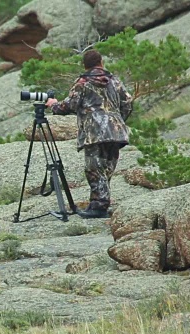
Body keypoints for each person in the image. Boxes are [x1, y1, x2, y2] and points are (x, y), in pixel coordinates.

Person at [45, 50, 132, 219]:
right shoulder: (115, 81)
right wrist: (117, 120)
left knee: (94, 169)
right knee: (106, 168)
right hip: (116, 131)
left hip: (95, 132)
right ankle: (101, 203)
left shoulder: (83, 82)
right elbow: (127, 102)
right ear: (101, 62)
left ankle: (98, 208)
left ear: (85, 65)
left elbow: (70, 104)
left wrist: (54, 105)